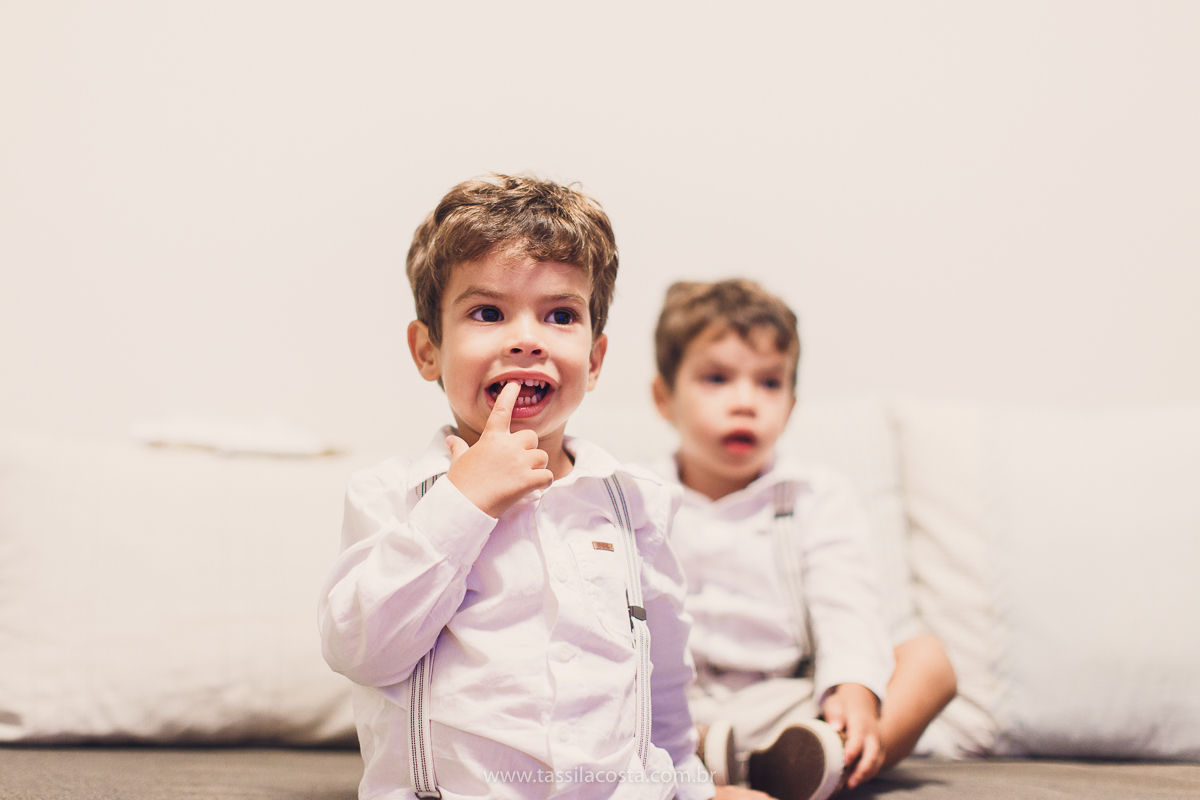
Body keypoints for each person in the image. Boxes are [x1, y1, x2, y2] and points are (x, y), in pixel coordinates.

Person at [318, 175, 718, 800]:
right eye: (487, 312)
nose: (526, 338)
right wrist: (463, 501)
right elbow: (361, 648)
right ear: (428, 350)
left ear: (594, 359)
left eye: (561, 315)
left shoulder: (635, 501)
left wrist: (693, 788)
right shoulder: (392, 494)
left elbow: (660, 680)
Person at [649, 280, 957, 800]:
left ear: (791, 404)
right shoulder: (636, 497)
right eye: (717, 379)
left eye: (770, 383)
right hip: (671, 704)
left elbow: (847, 603)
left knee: (928, 661)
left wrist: (853, 689)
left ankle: (824, 755)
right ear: (664, 398)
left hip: (789, 703)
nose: (746, 402)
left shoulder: (817, 496)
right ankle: (691, 759)